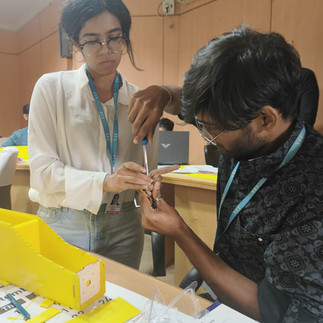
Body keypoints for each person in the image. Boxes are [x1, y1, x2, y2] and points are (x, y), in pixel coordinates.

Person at [128, 26, 323, 322]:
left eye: (211, 128)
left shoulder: (313, 195)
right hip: (222, 296)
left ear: (265, 119)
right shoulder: (245, 122)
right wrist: (163, 94)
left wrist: (179, 231)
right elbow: (197, 109)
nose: (206, 136)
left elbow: (272, 310)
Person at [28, 0, 162, 269]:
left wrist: (150, 184)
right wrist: (105, 181)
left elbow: (149, 168)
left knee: (123, 305)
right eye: (92, 41)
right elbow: (42, 173)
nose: (106, 50)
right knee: (62, 306)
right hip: (64, 219)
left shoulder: (141, 101)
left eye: (114, 38)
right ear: (77, 45)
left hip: (124, 223)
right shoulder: (51, 89)